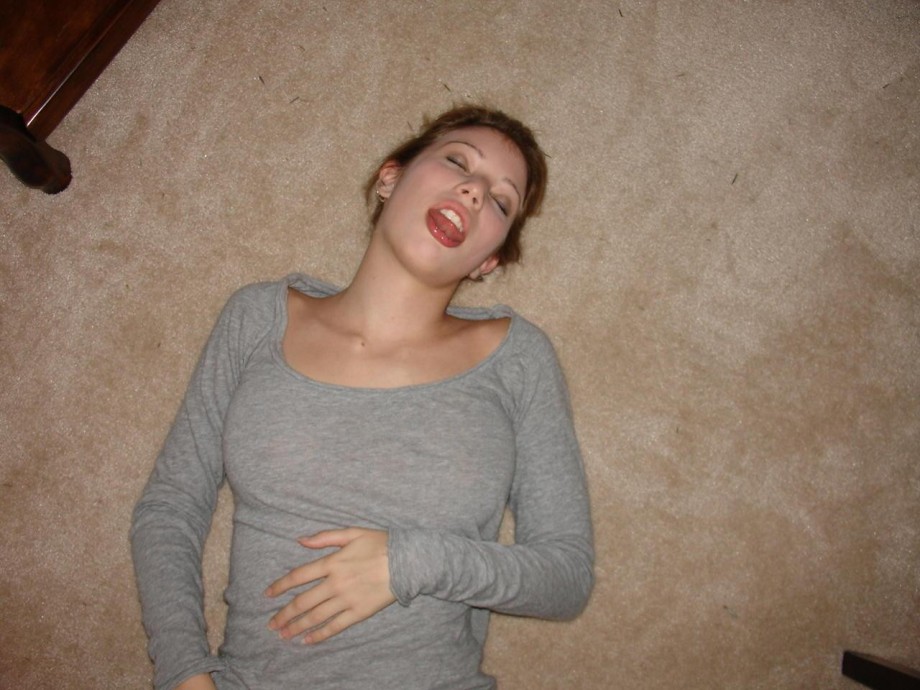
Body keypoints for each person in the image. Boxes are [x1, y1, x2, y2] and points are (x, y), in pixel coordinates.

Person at [131, 105, 594, 690]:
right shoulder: (257, 319)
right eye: (458, 163)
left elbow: (565, 577)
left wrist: (411, 563)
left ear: (488, 260)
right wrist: (185, 674)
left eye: (502, 202)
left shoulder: (518, 358)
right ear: (390, 177)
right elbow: (171, 507)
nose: (475, 192)